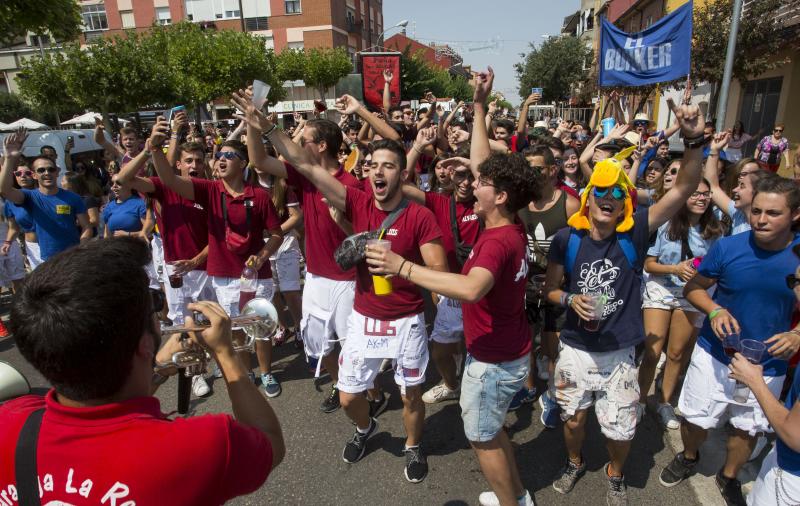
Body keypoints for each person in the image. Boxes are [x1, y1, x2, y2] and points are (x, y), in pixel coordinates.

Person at [233, 88, 448, 483]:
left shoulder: (419, 216)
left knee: (411, 395)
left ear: (402, 173)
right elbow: (309, 168)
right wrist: (267, 128)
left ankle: (413, 446)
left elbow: (439, 272)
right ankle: (365, 428)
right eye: (373, 165)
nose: (378, 171)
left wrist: (402, 267)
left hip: (406, 321)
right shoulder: (357, 200)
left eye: (387, 166)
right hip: (366, 317)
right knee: (349, 396)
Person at [0, 237, 284, 504]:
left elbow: (100, 408)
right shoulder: (201, 446)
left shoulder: (9, 422)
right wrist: (225, 353)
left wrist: (157, 365)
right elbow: (269, 442)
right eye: (155, 306)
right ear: (145, 343)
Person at [366, 66, 538, 506]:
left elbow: (471, 289)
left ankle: (512, 501)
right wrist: (479, 107)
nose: (470, 181)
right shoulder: (510, 221)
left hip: (494, 359)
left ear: (500, 196)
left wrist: (402, 267)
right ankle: (515, 493)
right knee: (494, 429)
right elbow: (485, 163)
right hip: (508, 350)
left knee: (482, 437)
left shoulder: (497, 242)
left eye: (480, 183)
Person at [543, 98, 706, 505]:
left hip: (619, 353)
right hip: (575, 350)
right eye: (601, 190)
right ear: (588, 196)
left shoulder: (634, 235)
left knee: (621, 431)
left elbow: (684, 187)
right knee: (573, 420)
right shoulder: (568, 239)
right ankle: (576, 461)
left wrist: (694, 139)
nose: (609, 196)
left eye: (618, 191)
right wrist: (569, 298)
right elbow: (549, 290)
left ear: (625, 202)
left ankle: (615, 471)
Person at [659, 176, 800, 506]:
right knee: (695, 417)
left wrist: (796, 334)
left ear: (795, 214)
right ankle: (689, 456)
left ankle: (730, 475)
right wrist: (714, 310)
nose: (760, 219)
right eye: (756, 211)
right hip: (714, 354)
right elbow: (694, 288)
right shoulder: (728, 246)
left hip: (769, 365)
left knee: (747, 429)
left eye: (772, 213)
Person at [234, 94, 370, 414]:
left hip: (349, 280)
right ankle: (340, 386)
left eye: (304, 138)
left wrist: (268, 126)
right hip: (316, 277)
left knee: (353, 345)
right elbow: (259, 162)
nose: (297, 142)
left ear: (321, 145)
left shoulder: (353, 184)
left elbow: (364, 238)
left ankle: (365, 393)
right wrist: (254, 126)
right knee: (326, 346)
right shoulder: (302, 176)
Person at [147, 119, 285, 398]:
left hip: (256, 276)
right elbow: (170, 180)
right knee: (235, 331)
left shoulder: (259, 196)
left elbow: (276, 235)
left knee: (260, 329)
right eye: (218, 156)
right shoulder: (210, 191)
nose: (221, 160)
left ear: (243, 163)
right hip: (222, 275)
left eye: (229, 156)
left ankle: (267, 372)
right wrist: (155, 149)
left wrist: (261, 255)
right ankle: (245, 374)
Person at [116, 136, 215, 397]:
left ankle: (212, 361)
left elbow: (218, 237)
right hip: (175, 269)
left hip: (206, 266)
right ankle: (195, 373)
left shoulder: (210, 190)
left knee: (208, 321)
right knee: (184, 323)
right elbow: (123, 180)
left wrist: (196, 260)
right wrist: (148, 150)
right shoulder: (162, 187)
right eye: (189, 160)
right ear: (179, 164)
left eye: (199, 160)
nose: (195, 165)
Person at [401, 127, 482, 406]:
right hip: (450, 289)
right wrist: (417, 146)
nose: (465, 183)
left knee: (479, 350)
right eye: (460, 176)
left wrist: (474, 164)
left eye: (471, 177)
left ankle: (476, 392)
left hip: (483, 290)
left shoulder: (488, 204)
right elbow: (400, 184)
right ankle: (450, 384)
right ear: (449, 175)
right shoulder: (438, 202)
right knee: (439, 352)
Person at [638, 178, 723, 429]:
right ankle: (640, 399)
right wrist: (675, 268)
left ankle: (664, 402)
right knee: (653, 351)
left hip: (692, 294)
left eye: (706, 194)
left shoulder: (715, 232)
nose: (701, 198)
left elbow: (716, 269)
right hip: (661, 288)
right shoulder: (665, 224)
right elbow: (648, 265)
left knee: (676, 353)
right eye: (695, 193)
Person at [729, 255, 800, 505]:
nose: (794, 289)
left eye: (797, 281)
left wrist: (754, 381)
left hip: (792, 479)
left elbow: (795, 436)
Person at [517, 144, 580, 424]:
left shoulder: (569, 203)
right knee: (527, 341)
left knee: (553, 347)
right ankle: (530, 387)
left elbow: (580, 250)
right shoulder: (520, 203)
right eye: (527, 168)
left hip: (558, 288)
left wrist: (564, 278)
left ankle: (554, 397)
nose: (531, 173)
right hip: (528, 286)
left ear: (553, 170)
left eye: (537, 168)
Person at [0, 129, 92, 261]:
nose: (46, 173)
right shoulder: (29, 196)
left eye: (51, 169)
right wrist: (9, 159)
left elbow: (86, 227)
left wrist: (81, 247)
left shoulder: (73, 198)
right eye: (41, 170)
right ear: (34, 175)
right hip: (47, 260)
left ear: (57, 172)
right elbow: (4, 190)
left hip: (74, 258)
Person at [705, 132, 772, 236]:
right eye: (741, 175)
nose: (735, 190)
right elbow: (712, 186)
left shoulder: (769, 225)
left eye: (742, 186)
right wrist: (714, 149)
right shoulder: (739, 214)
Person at [3, 160, 42, 269]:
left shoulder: (46, 193)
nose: (23, 176)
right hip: (32, 247)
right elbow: (13, 228)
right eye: (18, 174)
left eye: (27, 173)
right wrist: (7, 243)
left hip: (55, 243)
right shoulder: (10, 201)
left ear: (34, 174)